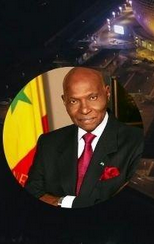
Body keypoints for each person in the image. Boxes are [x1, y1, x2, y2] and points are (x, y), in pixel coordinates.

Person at [25, 67, 143, 208]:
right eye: (74, 101)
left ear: (107, 93)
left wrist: (61, 201)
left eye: (92, 98)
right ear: (64, 101)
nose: (84, 110)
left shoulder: (137, 142)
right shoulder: (48, 142)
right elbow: (32, 191)